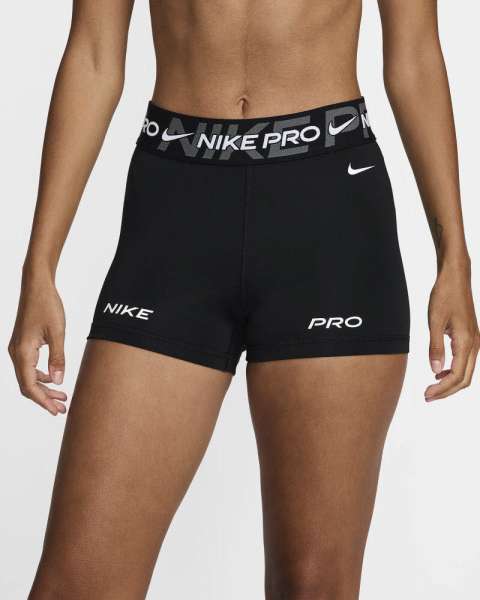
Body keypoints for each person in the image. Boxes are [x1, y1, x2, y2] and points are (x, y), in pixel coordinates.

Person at [8, 1, 479, 599]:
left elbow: (414, 57)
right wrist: (40, 265)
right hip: (175, 212)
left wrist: (454, 258)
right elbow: (95, 54)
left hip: (328, 218)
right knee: (77, 584)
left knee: (313, 587)